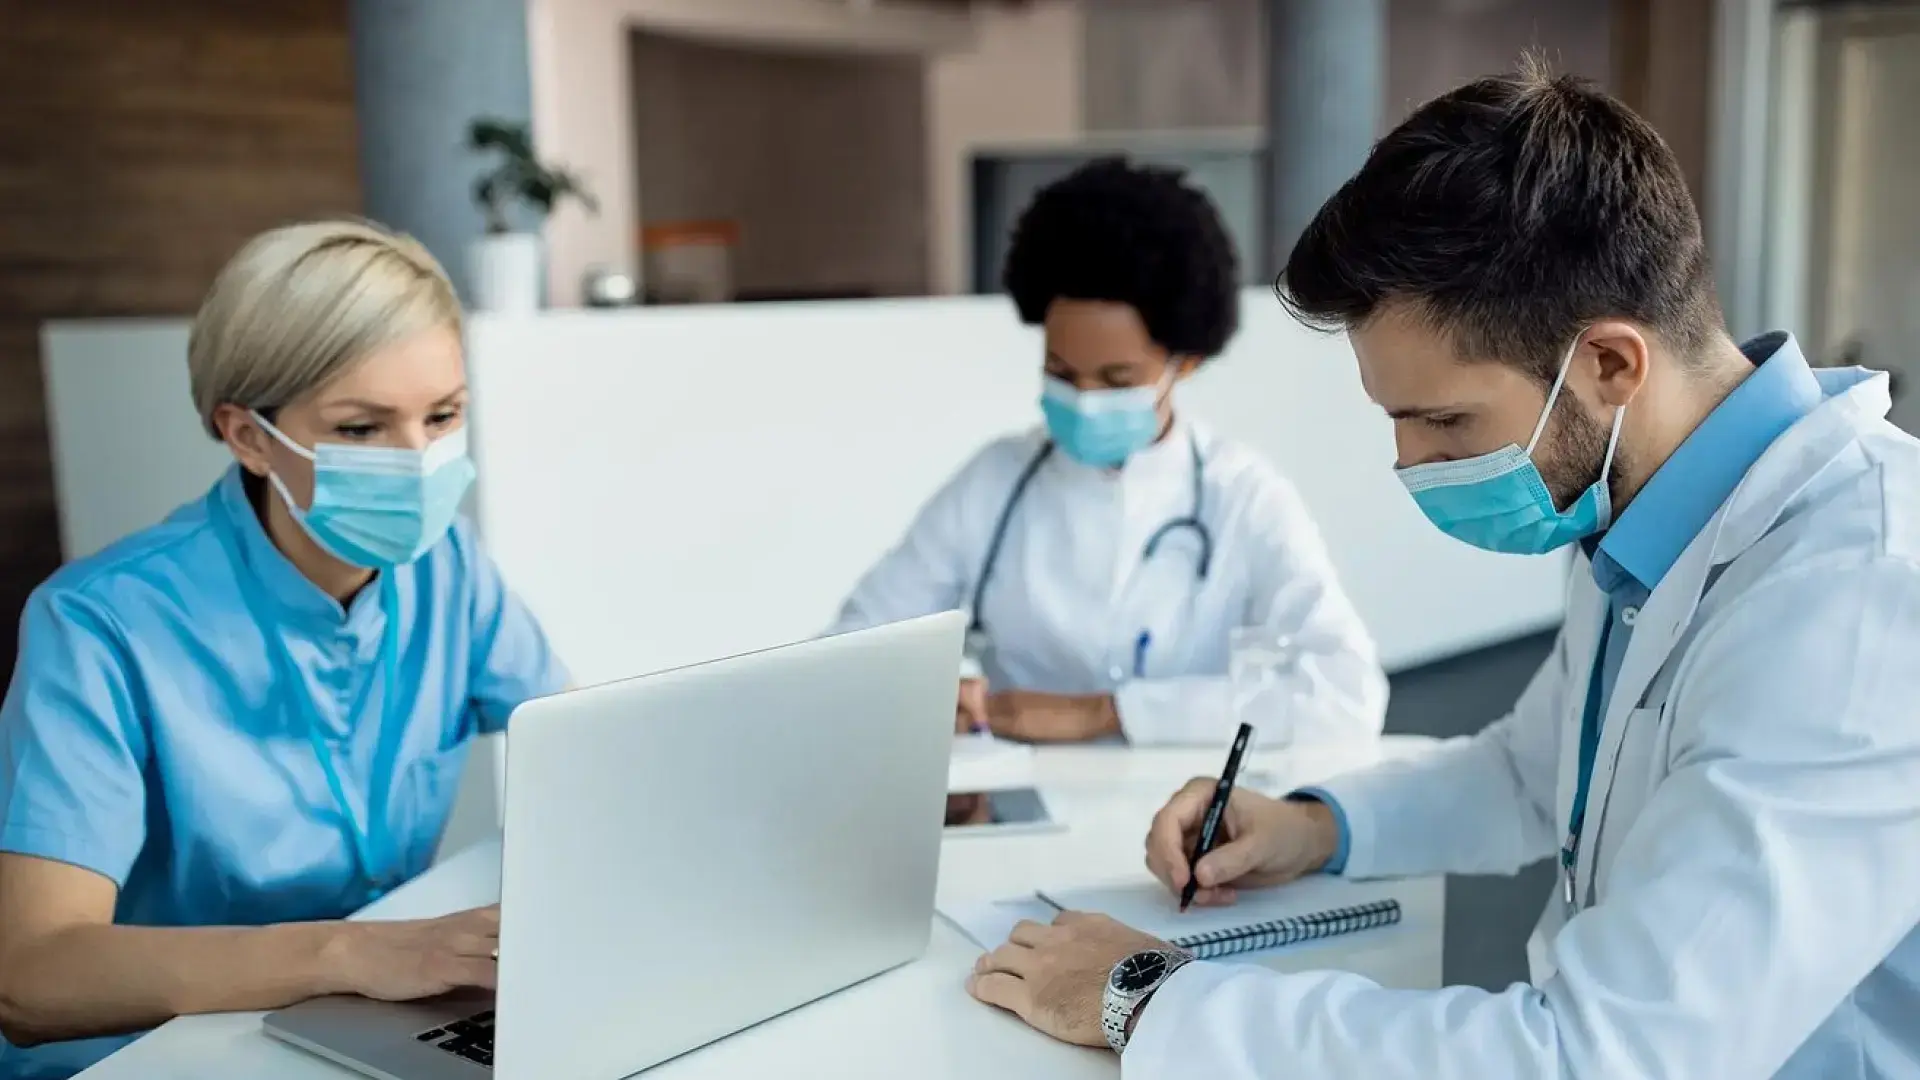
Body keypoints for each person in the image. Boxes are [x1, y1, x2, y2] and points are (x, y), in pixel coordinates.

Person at [965, 62, 1920, 1079]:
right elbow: (1535, 771)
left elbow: (1597, 1058)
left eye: (1444, 419)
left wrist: (1143, 999)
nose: (1410, 463)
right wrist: (1316, 826)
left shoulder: (1859, 594)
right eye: (1397, 421)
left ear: (1609, 366)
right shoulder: (1648, 515)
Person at [0, 221, 568, 1079]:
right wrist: (349, 955)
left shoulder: (446, 567)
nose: (419, 461)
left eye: (442, 415)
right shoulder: (97, 624)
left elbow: (576, 762)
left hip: (364, 1023)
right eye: (362, 428)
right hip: (146, 1053)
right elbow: (33, 979)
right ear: (250, 436)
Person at [831, 158, 1386, 747]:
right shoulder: (996, 481)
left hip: (1184, 807)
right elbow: (855, 644)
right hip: (1017, 795)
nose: (1084, 399)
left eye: (1117, 379)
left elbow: (1347, 692)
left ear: (1185, 362)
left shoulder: (1242, 496)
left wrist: (1105, 713)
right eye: (1061, 372)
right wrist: (932, 690)